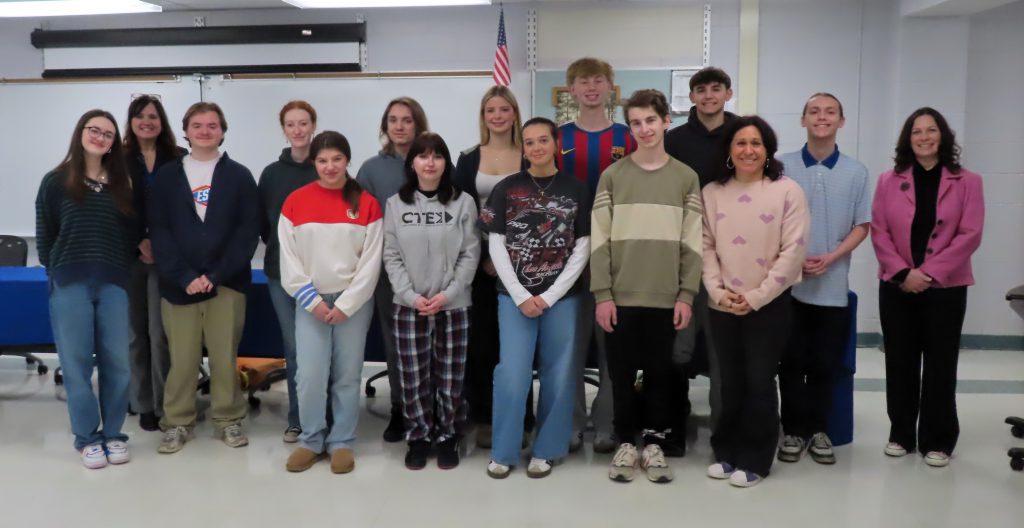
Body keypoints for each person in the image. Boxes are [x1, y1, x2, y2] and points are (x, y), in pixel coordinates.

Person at [590, 90, 702, 484]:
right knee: (620, 374)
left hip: (665, 297)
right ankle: (625, 441)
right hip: (620, 296)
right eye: (635, 123)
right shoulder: (613, 176)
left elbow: (692, 243)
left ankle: (654, 443)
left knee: (660, 374)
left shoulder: (686, 177)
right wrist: (603, 294)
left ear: (666, 121)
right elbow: (599, 241)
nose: (644, 129)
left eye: (650, 121)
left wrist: (686, 294)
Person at [871, 107, 984, 468]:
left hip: (946, 287)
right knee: (900, 362)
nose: (923, 137)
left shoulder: (968, 181)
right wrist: (904, 272)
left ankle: (938, 438)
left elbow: (970, 234)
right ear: (908, 139)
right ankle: (901, 433)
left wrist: (929, 273)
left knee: (940, 364)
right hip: (897, 285)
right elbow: (879, 231)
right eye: (916, 131)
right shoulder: (889, 180)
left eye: (930, 130)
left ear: (943, 136)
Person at [480, 117, 592, 479]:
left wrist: (550, 295)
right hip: (513, 298)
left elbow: (583, 246)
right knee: (511, 374)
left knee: (559, 375)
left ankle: (547, 449)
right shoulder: (506, 188)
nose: (537, 148)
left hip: (563, 297)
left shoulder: (576, 189)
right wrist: (520, 294)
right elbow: (495, 243)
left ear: (556, 143)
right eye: (529, 142)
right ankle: (505, 450)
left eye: (543, 140)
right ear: (523, 148)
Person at [702, 116, 809, 488]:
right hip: (723, 305)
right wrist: (718, 292)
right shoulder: (713, 192)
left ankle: (756, 459)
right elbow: (705, 247)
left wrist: (757, 297)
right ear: (729, 150)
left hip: (769, 305)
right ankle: (727, 452)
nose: (748, 150)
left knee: (759, 381)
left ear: (767, 150)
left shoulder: (787, 191)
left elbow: (793, 251)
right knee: (729, 383)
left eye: (756, 143)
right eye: (741, 143)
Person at [149, 102, 261, 454]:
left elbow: (247, 233)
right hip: (178, 286)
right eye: (197, 125)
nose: (205, 131)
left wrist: (214, 274)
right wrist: (185, 276)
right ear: (186, 131)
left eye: (212, 125)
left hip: (226, 284)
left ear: (223, 131)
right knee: (182, 358)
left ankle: (228, 420)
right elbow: (160, 231)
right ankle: (177, 423)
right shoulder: (167, 176)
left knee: (225, 356)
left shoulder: (239, 175)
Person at [36, 109, 136, 469]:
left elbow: (130, 235)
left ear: (114, 144)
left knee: (118, 364)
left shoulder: (122, 185)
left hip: (113, 284)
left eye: (108, 134)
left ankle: (113, 434)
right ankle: (87, 438)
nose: (100, 137)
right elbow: (46, 234)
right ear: (80, 133)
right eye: (94, 130)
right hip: (70, 283)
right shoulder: (55, 181)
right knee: (76, 365)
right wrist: (60, 269)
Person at [280, 131, 383, 474]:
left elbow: (371, 262)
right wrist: (313, 301)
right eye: (322, 161)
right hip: (311, 302)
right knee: (309, 374)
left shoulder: (366, 203)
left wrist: (346, 304)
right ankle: (312, 439)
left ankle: (342, 441)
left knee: (347, 374)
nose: (329, 167)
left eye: (336, 159)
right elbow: (289, 261)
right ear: (314, 163)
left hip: (352, 302)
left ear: (347, 160)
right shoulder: (295, 201)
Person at [776, 93, 870, 465]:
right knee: (790, 362)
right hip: (789, 287)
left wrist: (831, 257)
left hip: (832, 288)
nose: (822, 117)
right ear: (802, 120)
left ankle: (817, 430)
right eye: (814, 111)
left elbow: (862, 225)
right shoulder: (781, 168)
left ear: (841, 122)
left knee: (824, 364)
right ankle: (793, 432)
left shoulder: (856, 172)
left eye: (830, 112)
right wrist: (793, 261)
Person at [382, 132, 479, 470]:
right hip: (409, 306)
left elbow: (470, 253)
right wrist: (410, 296)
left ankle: (448, 435)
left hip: (453, 304)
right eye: (423, 156)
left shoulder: (462, 202)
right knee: (413, 376)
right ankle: (419, 436)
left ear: (445, 163)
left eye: (437, 156)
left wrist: (447, 294)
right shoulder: (396, 204)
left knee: (450, 376)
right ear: (412, 163)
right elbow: (391, 256)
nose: (430, 162)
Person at [556, 57, 636, 454]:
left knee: (612, 345)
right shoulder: (556, 138)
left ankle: (608, 422)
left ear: (609, 88)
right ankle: (569, 422)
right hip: (566, 259)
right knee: (568, 344)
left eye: (598, 81)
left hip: (618, 257)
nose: (590, 87)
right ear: (572, 90)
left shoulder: (629, 137)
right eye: (582, 81)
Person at [453, 85, 533, 448]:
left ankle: (522, 417)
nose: (498, 116)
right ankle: (484, 416)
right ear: (483, 117)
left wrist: (508, 258)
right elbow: (460, 214)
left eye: (504, 110)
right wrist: (482, 257)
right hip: (478, 268)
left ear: (514, 114)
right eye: (491, 111)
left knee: (518, 348)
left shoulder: (531, 155)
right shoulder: (469, 158)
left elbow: (538, 213)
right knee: (483, 346)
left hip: (524, 266)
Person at [664, 66, 737, 452]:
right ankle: (673, 427)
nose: (709, 96)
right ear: (690, 97)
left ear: (728, 93)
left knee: (723, 352)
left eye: (716, 89)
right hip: (682, 256)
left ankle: (724, 431)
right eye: (701, 90)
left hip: (733, 259)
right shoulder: (674, 140)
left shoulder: (743, 134)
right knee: (678, 347)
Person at [357, 96, 430, 443]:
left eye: (407, 120)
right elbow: (361, 223)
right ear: (385, 126)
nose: (400, 126)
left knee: (435, 343)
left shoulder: (433, 161)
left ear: (418, 124)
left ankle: (434, 408)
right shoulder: (371, 170)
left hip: (433, 272)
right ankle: (401, 408)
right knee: (397, 344)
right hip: (390, 274)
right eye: (393, 120)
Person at [123, 94, 187, 432]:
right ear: (131, 121)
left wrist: (159, 243)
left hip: (168, 258)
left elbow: (183, 212)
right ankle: (141, 401)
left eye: (153, 116)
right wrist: (138, 240)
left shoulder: (178, 159)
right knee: (136, 333)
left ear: (162, 122)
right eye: (140, 115)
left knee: (161, 334)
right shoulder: (114, 159)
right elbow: (113, 207)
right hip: (129, 257)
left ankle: (165, 403)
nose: (146, 121)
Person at [258, 100, 319, 444]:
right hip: (282, 275)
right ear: (283, 129)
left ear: (313, 126)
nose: (297, 130)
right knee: (295, 349)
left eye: (303, 123)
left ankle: (323, 414)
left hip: (323, 276)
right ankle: (298, 418)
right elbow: (266, 227)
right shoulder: (271, 174)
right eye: (291, 124)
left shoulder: (326, 166)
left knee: (321, 347)